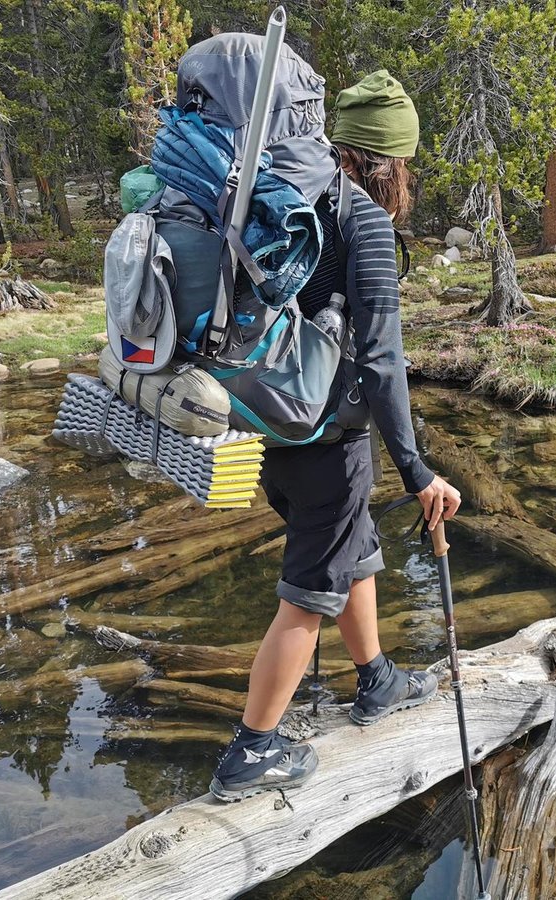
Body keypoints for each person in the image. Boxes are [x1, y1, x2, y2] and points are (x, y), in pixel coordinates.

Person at [210, 70, 462, 801]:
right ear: (388, 162)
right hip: (328, 439)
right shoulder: (364, 222)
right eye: (406, 166)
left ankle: (376, 679)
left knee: (351, 553)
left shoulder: (279, 204)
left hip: (267, 424)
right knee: (311, 588)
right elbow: (382, 364)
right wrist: (417, 471)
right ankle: (251, 752)